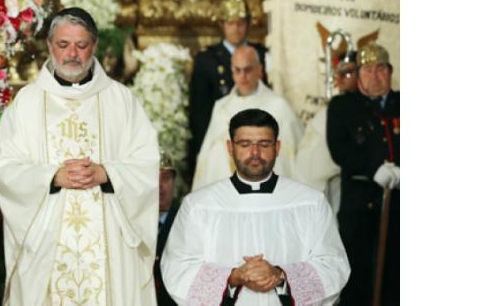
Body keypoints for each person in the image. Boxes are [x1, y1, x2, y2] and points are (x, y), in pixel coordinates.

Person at [0, 7, 159, 304]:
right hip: (47, 241)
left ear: (94, 46)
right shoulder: (27, 102)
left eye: (81, 46)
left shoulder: (120, 99)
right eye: (63, 45)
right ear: (49, 46)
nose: (73, 54)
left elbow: (145, 162)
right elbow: (5, 168)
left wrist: (107, 173)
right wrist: (51, 176)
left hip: (111, 240)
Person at [161, 109, 350, 305]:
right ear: (229, 148)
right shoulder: (199, 205)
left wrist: (281, 275)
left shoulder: (310, 202)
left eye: (264, 144)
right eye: (245, 144)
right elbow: (178, 267)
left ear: (277, 148)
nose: (254, 153)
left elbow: (333, 264)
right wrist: (233, 277)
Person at [326, 43, 399, 305]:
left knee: (396, 279)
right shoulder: (343, 106)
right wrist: (373, 168)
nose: (375, 74)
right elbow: (339, 148)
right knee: (357, 280)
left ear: (390, 72)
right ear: (359, 74)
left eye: (381, 68)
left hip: (399, 209)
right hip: (359, 209)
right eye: (368, 69)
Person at [191, 45, 302, 190]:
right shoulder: (221, 107)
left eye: (248, 70)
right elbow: (206, 160)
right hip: (225, 194)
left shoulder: (278, 106)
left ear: (259, 70)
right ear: (232, 72)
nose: (242, 76)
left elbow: (293, 160)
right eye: (237, 70)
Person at [187, 0, 268, 182]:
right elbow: (199, 112)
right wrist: (202, 149)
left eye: (241, 23)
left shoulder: (263, 54)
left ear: (248, 24)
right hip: (221, 142)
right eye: (231, 23)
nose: (236, 29)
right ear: (222, 25)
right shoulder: (206, 60)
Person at [295, 52, 358, 209]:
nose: (340, 78)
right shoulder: (333, 109)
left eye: (348, 72)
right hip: (318, 189)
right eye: (338, 73)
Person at [155, 153, 180, 306]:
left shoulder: (187, 219)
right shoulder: (130, 224)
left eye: (166, 178)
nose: (160, 186)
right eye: (153, 178)